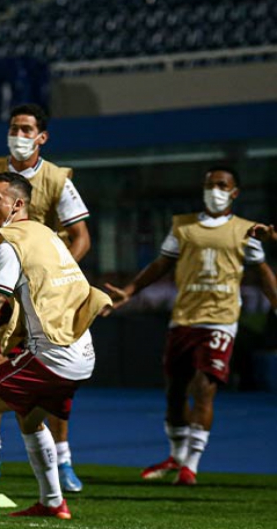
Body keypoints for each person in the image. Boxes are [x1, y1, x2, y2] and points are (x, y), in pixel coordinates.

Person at [0, 172, 110, 524]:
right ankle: (53, 501)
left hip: (53, 355)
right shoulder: (46, 234)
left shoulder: (9, 244)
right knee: (30, 417)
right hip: (81, 352)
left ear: (18, 204)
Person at [105, 167, 277, 486]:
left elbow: (262, 270)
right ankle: (177, 456)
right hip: (183, 318)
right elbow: (161, 264)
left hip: (221, 320)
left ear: (235, 193)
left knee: (204, 386)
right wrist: (128, 292)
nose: (215, 190)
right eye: (210, 185)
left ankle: (191, 465)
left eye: (222, 185)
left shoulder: (246, 230)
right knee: (174, 391)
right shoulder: (183, 226)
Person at [0, 103, 91, 490]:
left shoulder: (57, 179)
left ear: (41, 137)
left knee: (52, 373)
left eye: (26, 128)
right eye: (14, 127)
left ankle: (63, 459)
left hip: (44, 293)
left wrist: (54, 271)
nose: (18, 134)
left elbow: (81, 236)